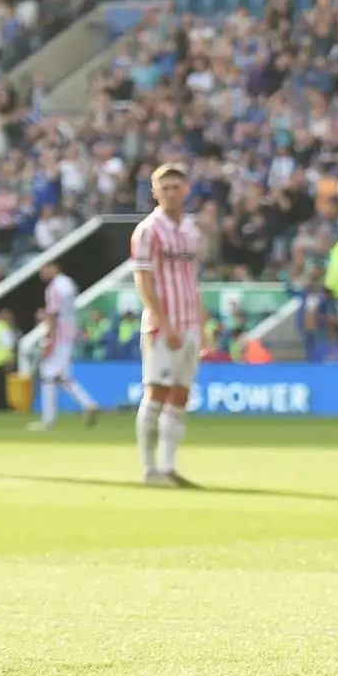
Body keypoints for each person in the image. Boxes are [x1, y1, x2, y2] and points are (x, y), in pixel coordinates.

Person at [131, 164, 205, 488]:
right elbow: (143, 282)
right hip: (163, 327)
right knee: (156, 393)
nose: (171, 192)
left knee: (180, 396)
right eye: (165, 187)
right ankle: (149, 470)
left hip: (190, 325)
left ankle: (168, 466)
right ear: (155, 192)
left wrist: (201, 323)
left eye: (176, 186)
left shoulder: (191, 231)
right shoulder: (148, 230)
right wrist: (165, 324)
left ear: (186, 190)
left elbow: (193, 279)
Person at [28, 261, 100, 431]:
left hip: (59, 337)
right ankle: (88, 404)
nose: (42, 272)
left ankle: (48, 421)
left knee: (48, 376)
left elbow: (53, 315)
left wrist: (48, 340)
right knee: (63, 377)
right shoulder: (68, 284)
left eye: (44, 268)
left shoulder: (54, 288)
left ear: (54, 267)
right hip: (69, 334)